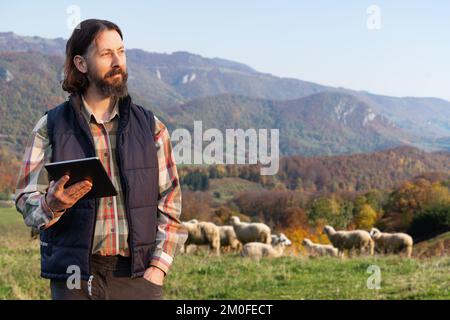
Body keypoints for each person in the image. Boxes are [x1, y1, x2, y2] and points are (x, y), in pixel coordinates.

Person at [14, 19, 187, 300]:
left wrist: (157, 270)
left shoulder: (152, 127)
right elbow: (24, 199)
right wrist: (50, 205)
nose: (118, 61)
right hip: (74, 280)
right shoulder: (50, 126)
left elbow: (170, 204)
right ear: (81, 64)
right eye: (106, 54)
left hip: (137, 278)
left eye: (121, 51)